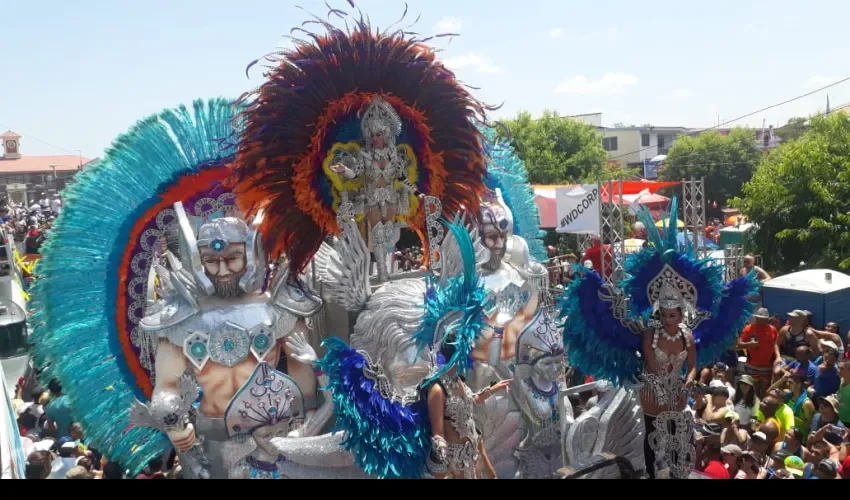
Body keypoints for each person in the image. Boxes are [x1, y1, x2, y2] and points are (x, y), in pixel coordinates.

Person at [561, 197, 759, 480]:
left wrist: (689, 380)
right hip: (653, 392)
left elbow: (691, 364)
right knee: (653, 438)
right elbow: (651, 364)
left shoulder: (688, 335)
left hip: (677, 393)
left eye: (674, 315)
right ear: (659, 313)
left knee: (680, 442)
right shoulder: (649, 334)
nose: (670, 320)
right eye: (665, 315)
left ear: (681, 314)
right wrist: (664, 384)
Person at [738, 308, 780, 397]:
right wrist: (749, 344)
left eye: (762, 318)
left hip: (767, 365)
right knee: (754, 388)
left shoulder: (772, 330)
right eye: (758, 318)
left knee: (765, 388)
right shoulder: (749, 328)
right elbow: (739, 343)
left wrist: (778, 357)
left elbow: (776, 344)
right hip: (752, 364)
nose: (759, 320)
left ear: (766, 319)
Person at [838, 360, 850, 427]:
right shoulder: (841, 380)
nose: (839, 370)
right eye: (838, 368)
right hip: (839, 418)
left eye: (842, 369)